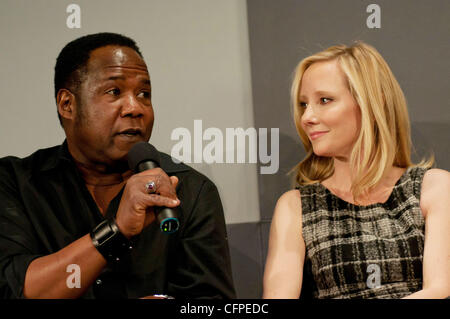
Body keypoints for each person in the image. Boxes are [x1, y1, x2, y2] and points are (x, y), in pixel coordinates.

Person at [0, 32, 235, 299]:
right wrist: (116, 231)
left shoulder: (188, 191)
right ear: (67, 104)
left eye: (144, 94)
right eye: (114, 92)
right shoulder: (15, 184)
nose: (135, 108)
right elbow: (14, 289)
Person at [263, 42, 450, 299]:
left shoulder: (434, 188)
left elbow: (439, 290)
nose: (307, 117)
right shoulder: (295, 206)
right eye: (304, 104)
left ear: (372, 103)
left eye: (324, 100)